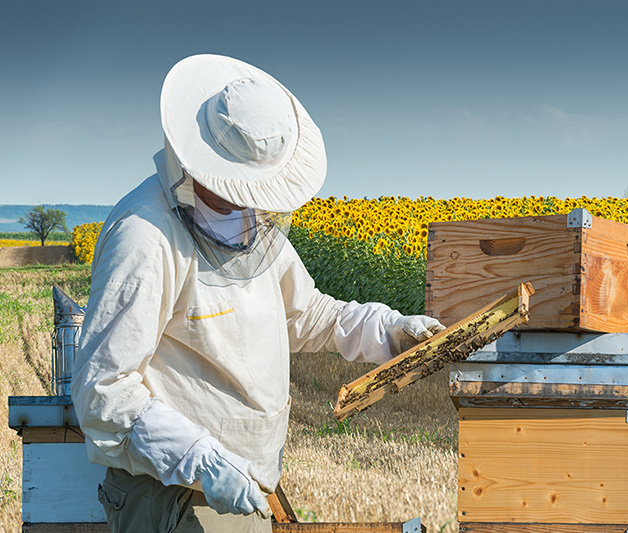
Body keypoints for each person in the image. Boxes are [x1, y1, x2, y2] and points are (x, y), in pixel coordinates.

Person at [71, 54, 444, 532]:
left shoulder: (248, 219)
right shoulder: (144, 236)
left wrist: (389, 329)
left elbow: (304, 314)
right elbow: (104, 390)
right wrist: (199, 460)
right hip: (172, 493)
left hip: (244, 484)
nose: (253, 199)